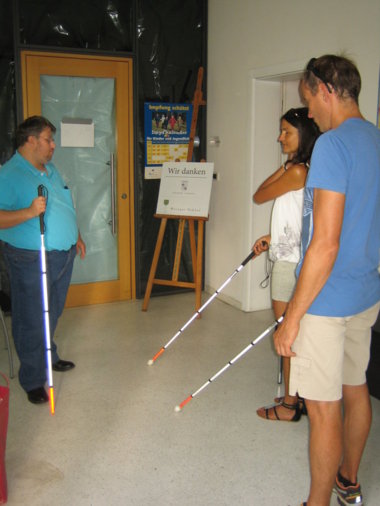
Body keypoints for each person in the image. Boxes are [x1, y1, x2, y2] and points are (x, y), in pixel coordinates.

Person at [274, 55, 380, 506]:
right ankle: (348, 482)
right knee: (356, 391)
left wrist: (291, 318)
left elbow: (325, 245)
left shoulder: (332, 147)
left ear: (327, 91)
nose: (309, 112)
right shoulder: (376, 140)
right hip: (365, 294)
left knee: (322, 408)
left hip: (325, 300)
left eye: (309, 99)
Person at [0, 116, 86, 405]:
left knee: (53, 312)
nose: (53, 145)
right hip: (29, 257)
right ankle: (34, 378)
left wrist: (77, 235)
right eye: (48, 139)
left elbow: (64, 203)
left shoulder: (50, 170)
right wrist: (27, 212)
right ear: (31, 140)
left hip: (63, 254)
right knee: (31, 318)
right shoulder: (9, 174)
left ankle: (48, 356)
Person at [252, 107, 320, 421]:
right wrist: (273, 236)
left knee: (286, 335)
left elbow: (259, 195)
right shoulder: (306, 169)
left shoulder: (296, 172)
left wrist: (285, 166)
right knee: (295, 334)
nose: (280, 137)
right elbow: (298, 218)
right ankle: (299, 396)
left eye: (286, 132)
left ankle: (290, 404)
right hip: (293, 254)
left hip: (287, 265)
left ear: (303, 135)